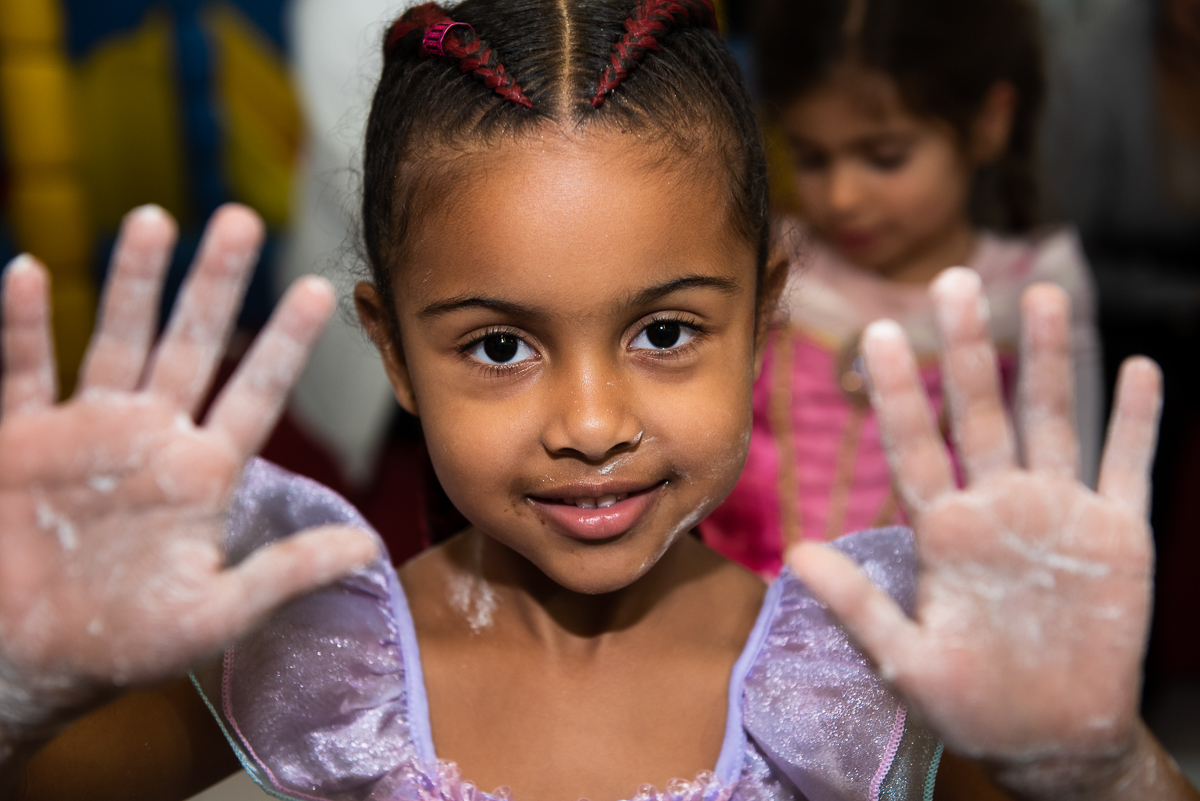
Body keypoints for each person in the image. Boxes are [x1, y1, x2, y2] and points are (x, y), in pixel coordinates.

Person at [0, 1, 1195, 799]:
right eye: (500, 346)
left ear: (764, 314)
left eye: (666, 331)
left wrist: (1112, 768)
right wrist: (19, 686)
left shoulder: (873, 684)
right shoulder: (313, 656)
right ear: (393, 350)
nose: (588, 422)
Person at [700, 0, 1105, 576]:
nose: (842, 196)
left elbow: (1073, 507)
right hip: (741, 635)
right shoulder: (771, 264)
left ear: (989, 122)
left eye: (884, 158)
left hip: (946, 648)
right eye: (812, 158)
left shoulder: (1032, 296)